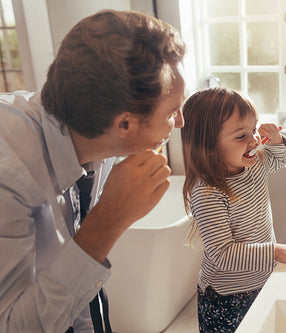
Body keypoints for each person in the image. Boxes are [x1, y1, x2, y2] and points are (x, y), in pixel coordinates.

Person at [0, 10, 186, 332]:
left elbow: (75, 281)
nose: (180, 121)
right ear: (125, 124)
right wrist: (107, 221)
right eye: (172, 112)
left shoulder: (95, 138)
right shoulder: (10, 175)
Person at [181, 87, 286, 333]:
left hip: (260, 280)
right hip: (227, 297)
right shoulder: (208, 193)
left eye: (253, 130)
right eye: (241, 136)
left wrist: (276, 140)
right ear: (208, 146)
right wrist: (275, 251)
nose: (254, 141)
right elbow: (223, 254)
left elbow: (276, 159)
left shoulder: (253, 164)